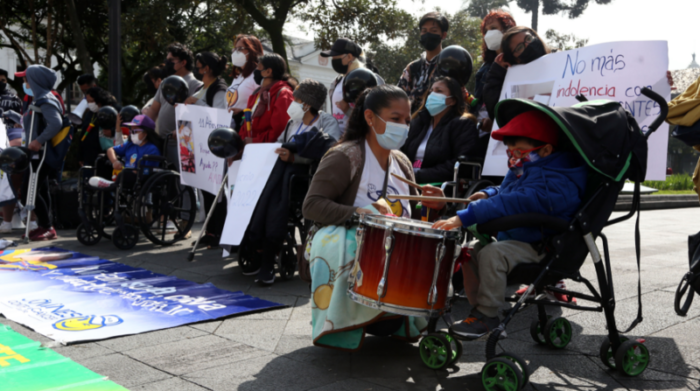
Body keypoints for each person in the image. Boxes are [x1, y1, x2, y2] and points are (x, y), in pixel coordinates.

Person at [302, 85, 445, 349]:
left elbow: (406, 214)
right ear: (369, 117)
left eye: (406, 120)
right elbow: (312, 206)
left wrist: (434, 205)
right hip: (348, 240)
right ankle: (343, 319)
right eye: (395, 119)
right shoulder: (345, 156)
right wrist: (357, 213)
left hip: (390, 248)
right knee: (342, 240)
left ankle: (393, 313)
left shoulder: (402, 161)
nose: (403, 126)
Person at [433, 109, 587, 337]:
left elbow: (516, 200)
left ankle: (488, 314)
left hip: (542, 246)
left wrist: (464, 217)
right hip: (518, 238)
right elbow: (506, 191)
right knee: (469, 253)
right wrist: (487, 193)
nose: (513, 156)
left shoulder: (557, 181)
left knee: (492, 254)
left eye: (520, 151)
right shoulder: (526, 166)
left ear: (546, 150)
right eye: (510, 151)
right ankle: (478, 312)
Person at [243, 79, 340, 285]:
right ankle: (256, 248)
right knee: (264, 192)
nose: (291, 102)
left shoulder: (326, 122)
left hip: (305, 179)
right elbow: (279, 146)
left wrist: (295, 158)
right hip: (282, 176)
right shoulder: (291, 123)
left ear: (306, 103)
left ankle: (267, 259)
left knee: (276, 191)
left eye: (295, 98)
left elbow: (329, 153)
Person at [401, 76, 479, 184]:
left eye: (439, 91)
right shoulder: (417, 122)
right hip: (406, 182)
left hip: (437, 185)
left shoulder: (463, 125)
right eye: (431, 91)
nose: (432, 95)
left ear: (452, 100)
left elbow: (459, 165)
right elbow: (400, 152)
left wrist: (417, 176)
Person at [20, 65, 64, 241]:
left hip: (41, 154)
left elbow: (55, 123)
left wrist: (38, 141)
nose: (25, 82)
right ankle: (46, 226)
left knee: (27, 192)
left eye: (26, 79)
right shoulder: (40, 98)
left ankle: (46, 226)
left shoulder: (45, 99)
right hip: (38, 154)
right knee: (41, 189)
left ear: (35, 81)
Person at [149, 42, 203, 166]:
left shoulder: (197, 85)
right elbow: (153, 110)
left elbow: (197, 116)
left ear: (183, 63)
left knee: (182, 182)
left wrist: (179, 131)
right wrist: (144, 128)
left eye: (171, 60)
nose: (166, 63)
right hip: (162, 142)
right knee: (165, 181)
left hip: (184, 144)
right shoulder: (165, 83)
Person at [482, 26, 550, 120]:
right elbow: (497, 111)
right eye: (520, 47)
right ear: (514, 59)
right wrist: (496, 73)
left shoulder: (562, 60)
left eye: (528, 38)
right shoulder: (511, 81)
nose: (527, 44)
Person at [88, 114, 161, 190]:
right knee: (103, 165)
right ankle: (111, 184)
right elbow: (110, 150)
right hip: (124, 177)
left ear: (146, 133)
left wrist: (134, 172)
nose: (132, 133)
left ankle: (110, 185)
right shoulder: (130, 144)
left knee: (126, 174)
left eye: (135, 131)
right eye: (131, 130)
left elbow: (147, 173)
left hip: (138, 181)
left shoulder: (152, 149)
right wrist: (115, 162)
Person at [398, 12, 450, 113]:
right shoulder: (412, 67)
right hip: (413, 124)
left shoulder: (448, 65)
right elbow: (399, 97)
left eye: (433, 30)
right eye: (424, 31)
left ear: (443, 35)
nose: (428, 34)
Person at [238, 53, 296, 143]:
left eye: (258, 67)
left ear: (268, 71)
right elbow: (245, 124)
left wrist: (254, 141)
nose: (255, 70)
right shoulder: (257, 93)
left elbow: (280, 131)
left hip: (268, 153)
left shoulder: (284, 94)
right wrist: (241, 143)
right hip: (249, 151)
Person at [474, 10, 516, 133]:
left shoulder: (519, 62)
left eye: (493, 28)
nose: (489, 34)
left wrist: (494, 120)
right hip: (481, 131)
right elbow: (478, 101)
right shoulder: (485, 67)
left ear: (507, 29)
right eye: (486, 31)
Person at [320, 38, 365, 136]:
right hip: (337, 139)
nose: (333, 61)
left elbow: (371, 114)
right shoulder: (336, 82)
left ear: (349, 56)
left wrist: (348, 110)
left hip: (356, 140)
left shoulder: (365, 79)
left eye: (335, 58)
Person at [277, 78, 341, 144]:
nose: (293, 103)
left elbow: (329, 147)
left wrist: (293, 154)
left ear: (308, 104)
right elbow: (278, 144)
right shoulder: (292, 122)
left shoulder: (328, 122)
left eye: (296, 100)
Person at [227, 35, 263, 130]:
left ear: (252, 51)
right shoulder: (239, 75)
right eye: (235, 49)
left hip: (244, 127)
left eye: (240, 48)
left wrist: (244, 112)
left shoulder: (258, 75)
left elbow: (262, 104)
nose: (235, 52)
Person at [79, 87, 119, 167]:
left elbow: (125, 128)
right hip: (89, 157)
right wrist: (80, 156)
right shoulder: (89, 114)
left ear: (99, 100)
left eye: (92, 101)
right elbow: (83, 134)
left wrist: (112, 131)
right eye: (88, 102)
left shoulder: (113, 111)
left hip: (107, 157)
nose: (90, 104)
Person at [0, 110, 25, 233]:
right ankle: (31, 222)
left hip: (12, 151)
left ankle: (7, 223)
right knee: (12, 187)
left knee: (9, 187)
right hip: (22, 149)